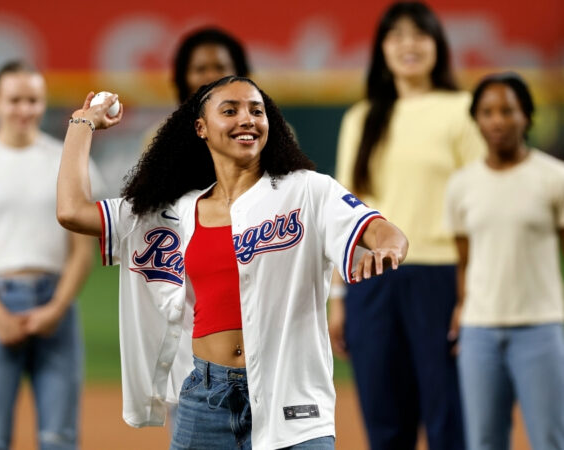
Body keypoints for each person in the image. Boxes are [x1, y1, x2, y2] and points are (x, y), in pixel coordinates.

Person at [56, 75, 408, 449]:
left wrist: (389, 250)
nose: (248, 119)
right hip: (205, 400)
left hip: (291, 398)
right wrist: (83, 123)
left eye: (257, 111)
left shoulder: (308, 190)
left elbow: (382, 231)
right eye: (230, 110)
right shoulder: (174, 210)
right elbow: (72, 211)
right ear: (201, 128)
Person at [329, 2, 487, 449]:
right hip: (371, 284)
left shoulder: (462, 110)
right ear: (382, 49)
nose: (408, 45)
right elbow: (345, 213)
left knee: (447, 418)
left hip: (439, 279)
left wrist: (469, 292)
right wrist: (338, 298)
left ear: (438, 46)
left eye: (420, 34)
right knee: (384, 421)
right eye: (396, 36)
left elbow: (478, 207)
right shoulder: (361, 117)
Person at [0, 60, 103, 450]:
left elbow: (82, 250)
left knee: (59, 438)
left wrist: (57, 307)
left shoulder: (69, 161)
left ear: (44, 104)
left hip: (54, 305)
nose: (24, 109)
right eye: (15, 100)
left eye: (33, 100)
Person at [445, 73, 564, 450]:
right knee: (484, 441)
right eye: (487, 112)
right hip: (479, 332)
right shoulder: (462, 184)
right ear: (477, 120)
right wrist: (463, 309)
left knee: (549, 439)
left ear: (526, 117)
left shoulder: (554, 178)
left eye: (507, 111)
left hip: (540, 329)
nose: (497, 120)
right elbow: (464, 261)